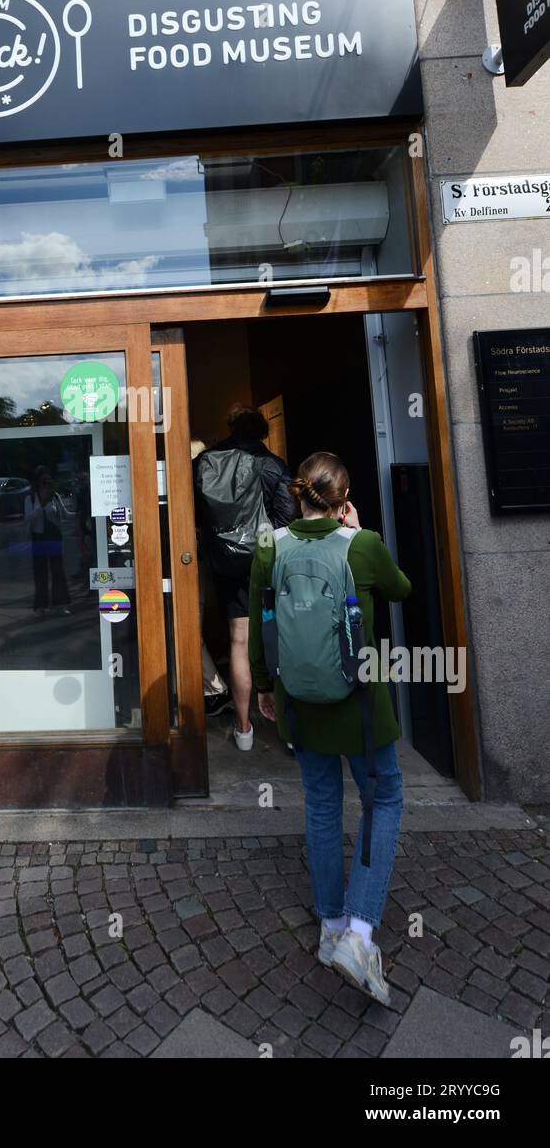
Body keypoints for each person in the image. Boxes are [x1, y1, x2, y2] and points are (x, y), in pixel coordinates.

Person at [248, 451, 411, 1006]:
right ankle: (360, 937)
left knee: (320, 803)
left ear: (296, 494)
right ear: (344, 500)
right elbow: (401, 589)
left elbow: (259, 623)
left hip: (301, 699)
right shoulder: (360, 545)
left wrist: (268, 690)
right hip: (362, 704)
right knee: (383, 799)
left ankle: (331, 926)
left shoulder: (269, 547)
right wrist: (362, 533)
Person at [196, 405, 296, 749]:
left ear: (232, 428)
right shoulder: (272, 465)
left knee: (239, 641)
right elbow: (287, 515)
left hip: (227, 565)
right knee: (280, 641)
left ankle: (243, 730)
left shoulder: (206, 463)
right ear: (262, 432)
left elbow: (195, 515)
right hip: (268, 562)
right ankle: (290, 730)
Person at [190, 436, 229, 713]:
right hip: (217, 561)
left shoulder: (193, 485)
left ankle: (216, 689)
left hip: (196, 562)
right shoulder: (219, 481)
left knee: (191, 629)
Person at [24, 466, 71, 615]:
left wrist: (85, 512)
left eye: (48, 481)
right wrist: (42, 504)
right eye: (43, 481)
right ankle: (41, 606)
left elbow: (65, 514)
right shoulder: (30, 498)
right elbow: (28, 518)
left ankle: (61, 604)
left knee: (58, 571)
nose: (46, 484)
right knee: (40, 572)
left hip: (54, 536)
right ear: (37, 482)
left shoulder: (55, 496)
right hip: (39, 537)